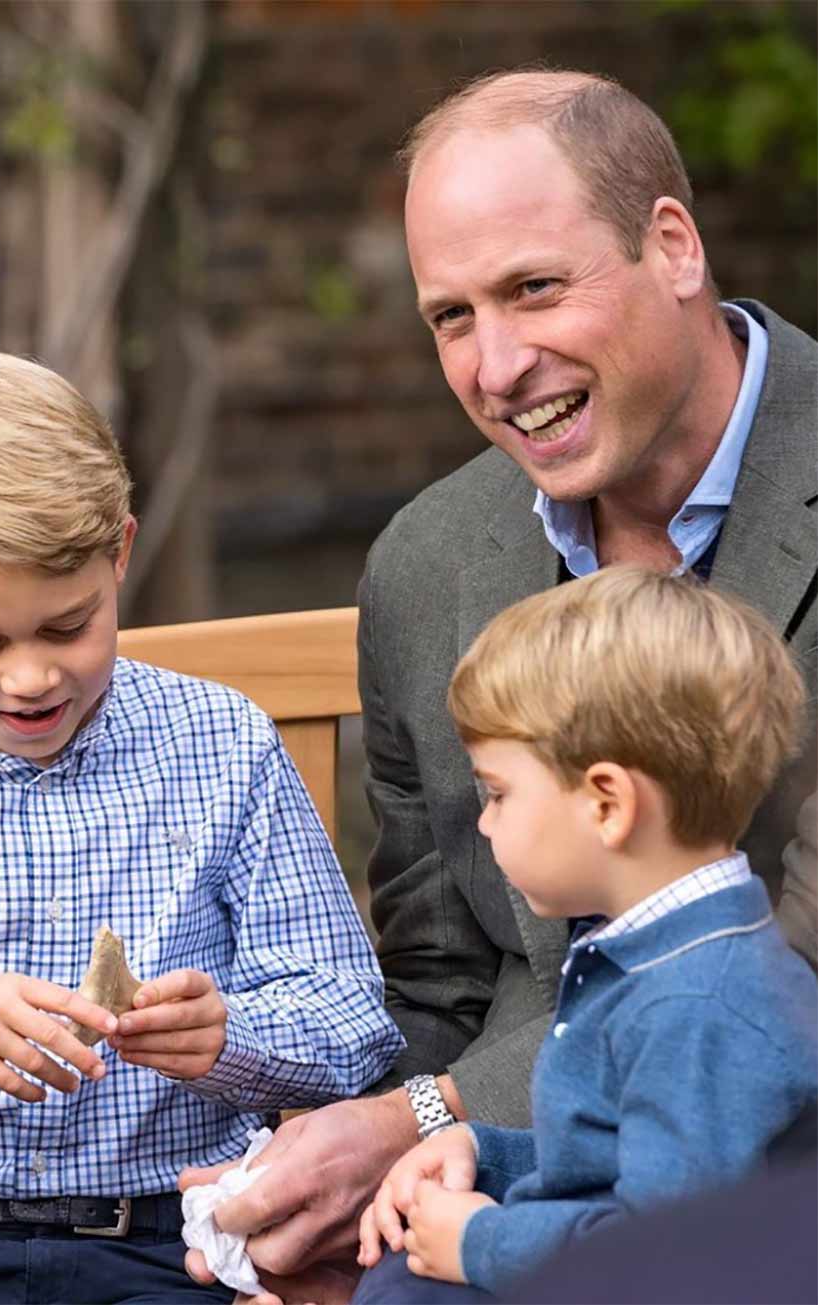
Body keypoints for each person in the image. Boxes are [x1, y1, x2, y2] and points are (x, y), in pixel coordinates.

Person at [180, 66, 817, 1304]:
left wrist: (435, 1114)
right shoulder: (427, 564)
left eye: (533, 289)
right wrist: (381, 1169)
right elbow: (443, 976)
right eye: (451, 317)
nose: (498, 363)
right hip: (540, 1185)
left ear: (671, 246)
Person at [0, 348, 404, 1304]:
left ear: (120, 553)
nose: (31, 676)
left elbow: (355, 1019)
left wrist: (232, 1039)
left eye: (69, 625)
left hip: (176, 1243)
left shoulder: (221, 746)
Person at [351, 566, 818, 1302]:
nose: (483, 821)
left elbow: (668, 1256)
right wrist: (482, 1151)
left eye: (498, 792)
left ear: (606, 803)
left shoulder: (698, 1008)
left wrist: (481, 1240)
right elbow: (614, 1161)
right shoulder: (652, 957)